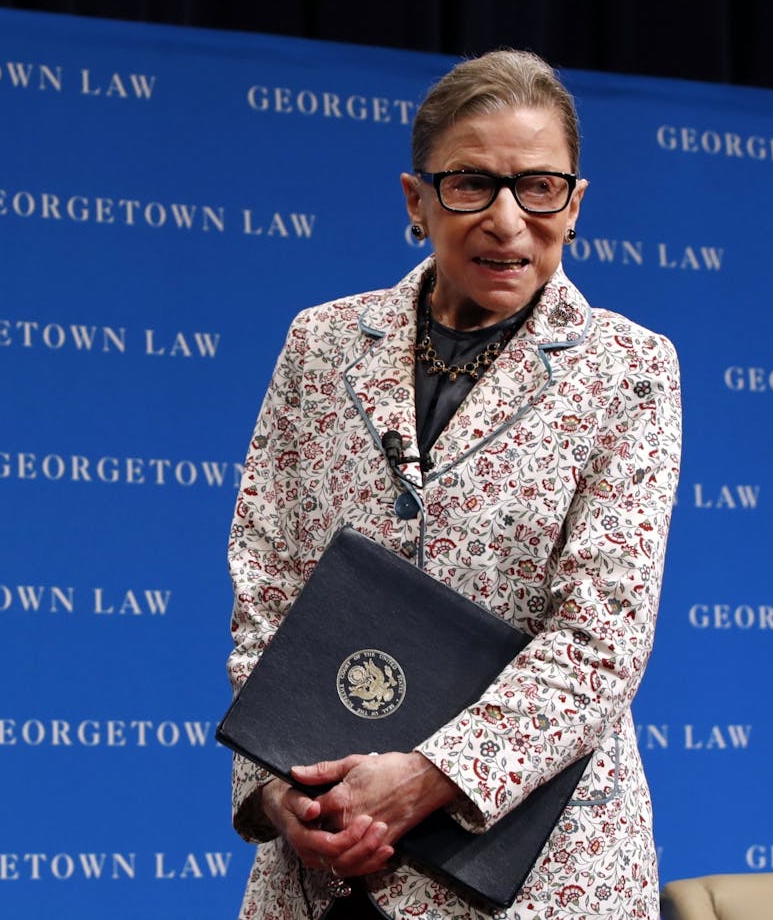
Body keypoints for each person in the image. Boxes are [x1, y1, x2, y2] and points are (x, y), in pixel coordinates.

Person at [226, 49, 681, 920]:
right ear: (416, 199)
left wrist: (428, 778)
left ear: (575, 204)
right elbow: (268, 580)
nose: (508, 220)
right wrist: (278, 784)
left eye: (540, 186)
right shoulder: (321, 345)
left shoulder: (630, 370)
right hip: (320, 868)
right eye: (472, 183)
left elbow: (599, 638)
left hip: (534, 875)